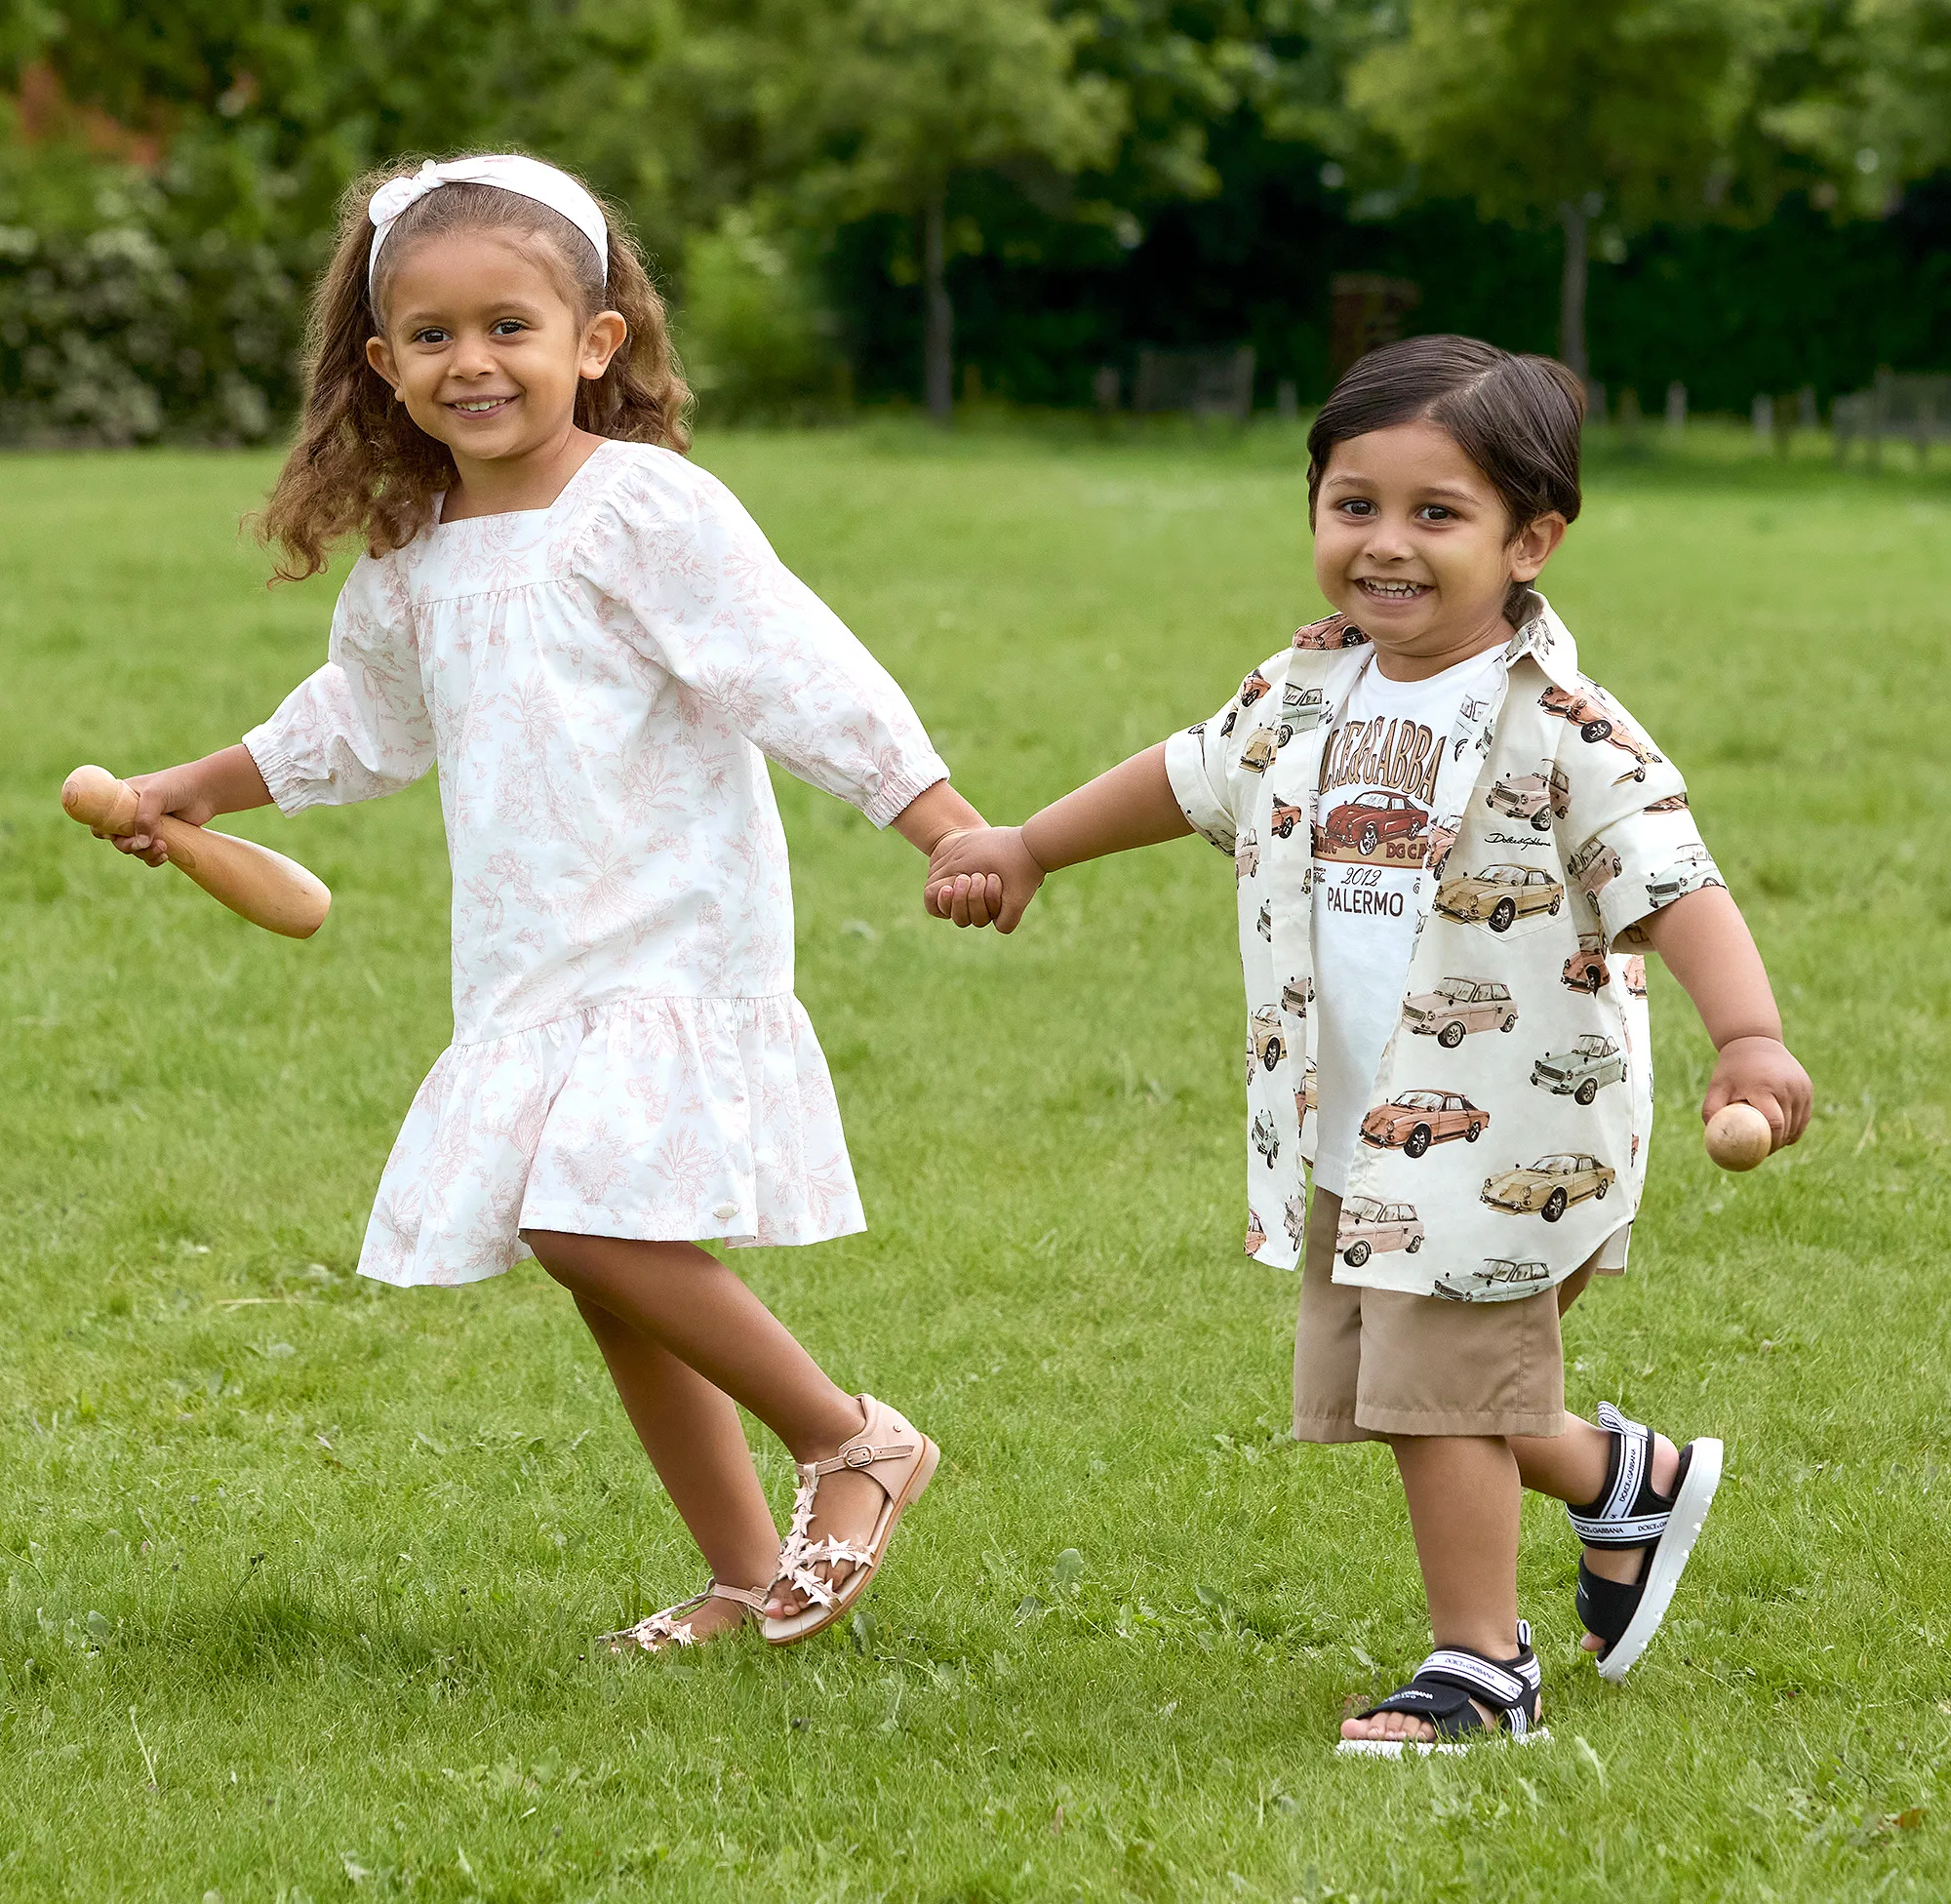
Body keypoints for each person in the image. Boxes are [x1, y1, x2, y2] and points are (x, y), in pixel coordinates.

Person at [96, 152, 987, 1653]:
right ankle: (742, 1567)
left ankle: (856, 1440)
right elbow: (357, 726)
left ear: (598, 340)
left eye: (510, 326)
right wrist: (192, 786)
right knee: (607, 1276)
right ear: (382, 367)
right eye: (431, 338)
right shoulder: (412, 559)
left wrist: (943, 818)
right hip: (529, 954)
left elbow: (797, 669)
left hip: (669, 931)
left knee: (580, 1225)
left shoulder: (646, 511)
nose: (473, 363)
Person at [924, 336, 1812, 1750]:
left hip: (1506, 1120)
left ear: (1532, 540)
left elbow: (1677, 883)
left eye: (1436, 514)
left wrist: (1750, 1037)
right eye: (1354, 504)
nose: (1384, 545)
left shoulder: (1568, 728)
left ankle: (1480, 1666)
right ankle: (1617, 1479)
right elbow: (1182, 774)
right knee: (1414, 1383)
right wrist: (1029, 845)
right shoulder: (1306, 686)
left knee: (1439, 1387)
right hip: (1352, 1114)